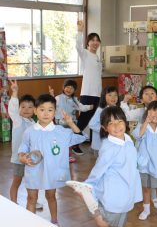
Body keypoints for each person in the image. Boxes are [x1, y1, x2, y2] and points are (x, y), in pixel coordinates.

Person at [66, 106, 142, 227]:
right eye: (111, 123)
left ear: (125, 122)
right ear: (104, 128)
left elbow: (134, 159)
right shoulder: (109, 148)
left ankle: (95, 207)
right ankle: (93, 207)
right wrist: (88, 186)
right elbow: (98, 170)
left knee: (120, 220)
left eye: (119, 121)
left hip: (127, 190)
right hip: (115, 193)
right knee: (108, 221)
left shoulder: (128, 140)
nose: (117, 126)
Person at [18, 94, 87, 225]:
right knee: (31, 198)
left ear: (55, 112)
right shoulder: (29, 131)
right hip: (33, 170)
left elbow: (80, 137)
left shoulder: (61, 131)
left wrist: (71, 123)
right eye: (42, 109)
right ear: (35, 111)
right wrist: (22, 157)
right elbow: (23, 148)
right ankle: (29, 223)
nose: (46, 113)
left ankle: (54, 221)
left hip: (52, 172)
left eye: (50, 110)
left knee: (51, 196)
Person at [121, 85, 157, 209]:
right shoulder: (141, 112)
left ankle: (155, 198)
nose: (149, 95)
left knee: (155, 173)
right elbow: (127, 116)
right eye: (146, 94)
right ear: (141, 99)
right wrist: (124, 102)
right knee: (145, 174)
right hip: (143, 148)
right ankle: (147, 198)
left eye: (152, 93)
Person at [132, 101, 157, 221]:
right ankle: (146, 210)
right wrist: (146, 123)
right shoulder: (142, 126)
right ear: (147, 112)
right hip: (144, 164)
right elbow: (138, 135)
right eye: (153, 110)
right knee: (146, 188)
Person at [8, 80, 43, 209]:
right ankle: (13, 203)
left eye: (29, 107)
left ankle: (33, 200)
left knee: (32, 182)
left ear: (34, 110)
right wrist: (15, 93)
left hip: (32, 160)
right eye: (23, 107)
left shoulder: (35, 125)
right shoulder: (18, 121)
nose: (26, 110)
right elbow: (12, 109)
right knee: (16, 181)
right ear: (18, 109)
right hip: (19, 159)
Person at [49, 79, 93, 162]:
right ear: (63, 87)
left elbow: (81, 108)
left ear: (74, 90)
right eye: (67, 87)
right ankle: (59, 156)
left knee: (69, 140)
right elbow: (51, 105)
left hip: (70, 124)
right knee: (60, 141)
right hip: (60, 124)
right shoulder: (58, 98)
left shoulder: (74, 100)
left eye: (72, 88)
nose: (69, 89)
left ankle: (68, 155)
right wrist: (51, 96)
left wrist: (90, 107)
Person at [75, 20, 102, 155]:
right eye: (92, 40)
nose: (95, 42)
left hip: (96, 94)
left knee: (89, 119)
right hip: (87, 93)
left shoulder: (97, 57)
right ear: (88, 42)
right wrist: (80, 31)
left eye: (97, 40)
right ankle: (73, 143)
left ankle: (77, 142)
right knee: (83, 119)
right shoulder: (85, 53)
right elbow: (77, 46)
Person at [89, 86, 119, 153]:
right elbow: (92, 124)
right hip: (100, 144)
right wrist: (106, 130)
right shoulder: (101, 110)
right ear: (104, 96)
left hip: (111, 142)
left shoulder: (116, 109)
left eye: (115, 95)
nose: (113, 98)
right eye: (110, 95)